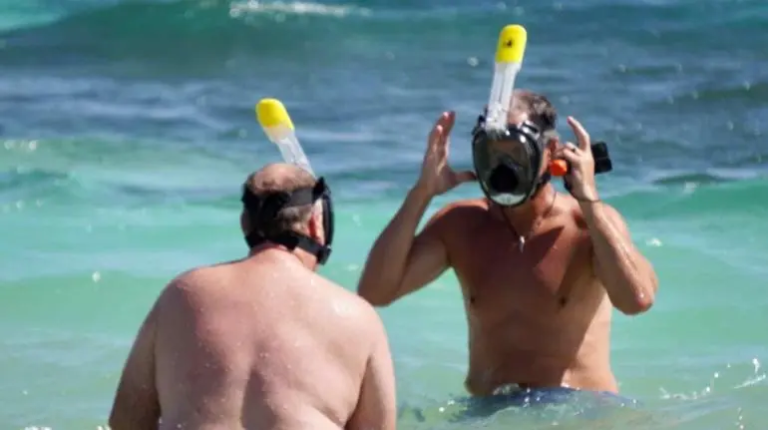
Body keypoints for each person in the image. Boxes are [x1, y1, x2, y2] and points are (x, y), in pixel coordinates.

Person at [357, 90, 658, 405]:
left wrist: (589, 200)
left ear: (550, 151)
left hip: (577, 409)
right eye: (491, 153)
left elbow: (636, 300)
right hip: (490, 411)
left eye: (516, 152)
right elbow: (376, 292)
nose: (503, 168)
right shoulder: (461, 226)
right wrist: (422, 192)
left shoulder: (587, 225)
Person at [109, 163, 397, 430]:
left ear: (244, 223)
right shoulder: (356, 317)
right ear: (316, 225)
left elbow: (127, 421)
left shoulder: (182, 294)